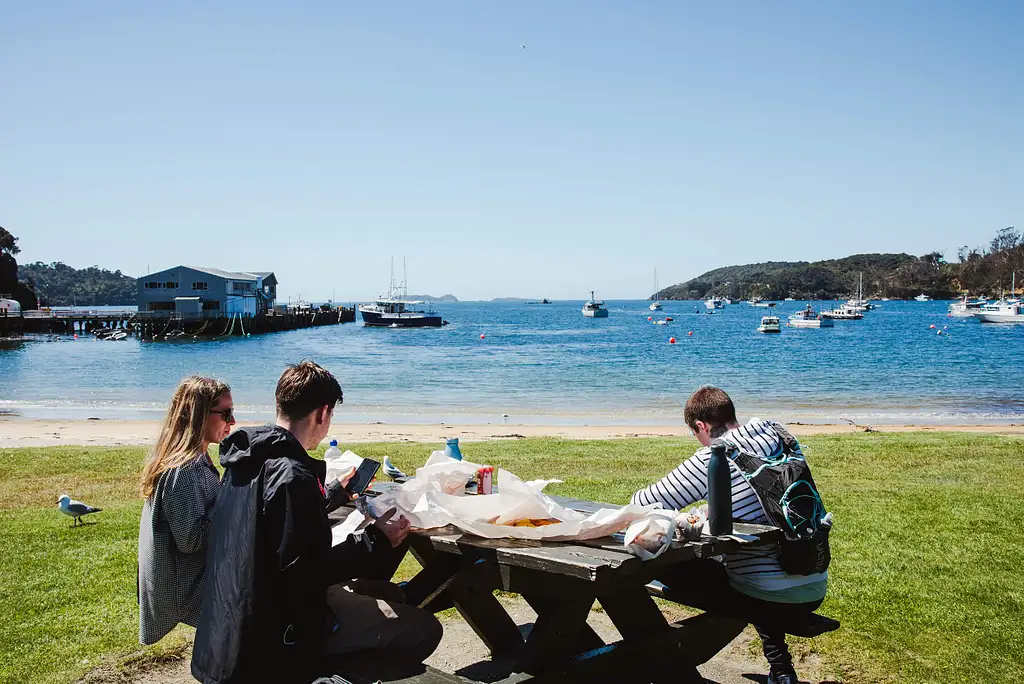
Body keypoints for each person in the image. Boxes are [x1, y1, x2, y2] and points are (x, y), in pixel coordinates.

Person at [191, 361, 442, 684]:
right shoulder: (292, 475)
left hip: (228, 633)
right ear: (322, 414)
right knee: (423, 629)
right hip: (270, 644)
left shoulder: (247, 461)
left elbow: (275, 530)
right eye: (331, 417)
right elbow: (309, 572)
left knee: (388, 593)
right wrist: (376, 540)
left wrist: (335, 495)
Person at [631, 386, 827, 684]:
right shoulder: (779, 435)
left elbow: (642, 503)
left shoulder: (714, 455)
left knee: (660, 558)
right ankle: (782, 671)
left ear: (701, 426)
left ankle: (651, 659)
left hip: (766, 594)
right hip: (813, 583)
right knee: (756, 564)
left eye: (695, 433)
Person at [138, 376, 235, 645]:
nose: (233, 421)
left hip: (190, 576)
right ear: (199, 415)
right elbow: (191, 541)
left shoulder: (194, 458)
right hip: (187, 587)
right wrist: (232, 496)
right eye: (226, 413)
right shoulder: (184, 470)